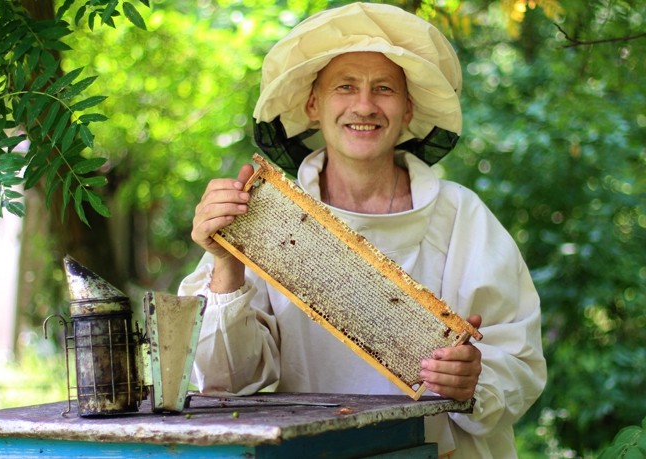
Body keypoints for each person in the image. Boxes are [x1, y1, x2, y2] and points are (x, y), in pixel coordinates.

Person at [179, 3, 546, 458]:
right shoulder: (265, 218)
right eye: (345, 87)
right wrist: (226, 264)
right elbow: (223, 385)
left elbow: (520, 361)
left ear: (409, 107)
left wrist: (475, 379)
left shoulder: (463, 218)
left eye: (384, 89)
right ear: (313, 104)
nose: (365, 105)